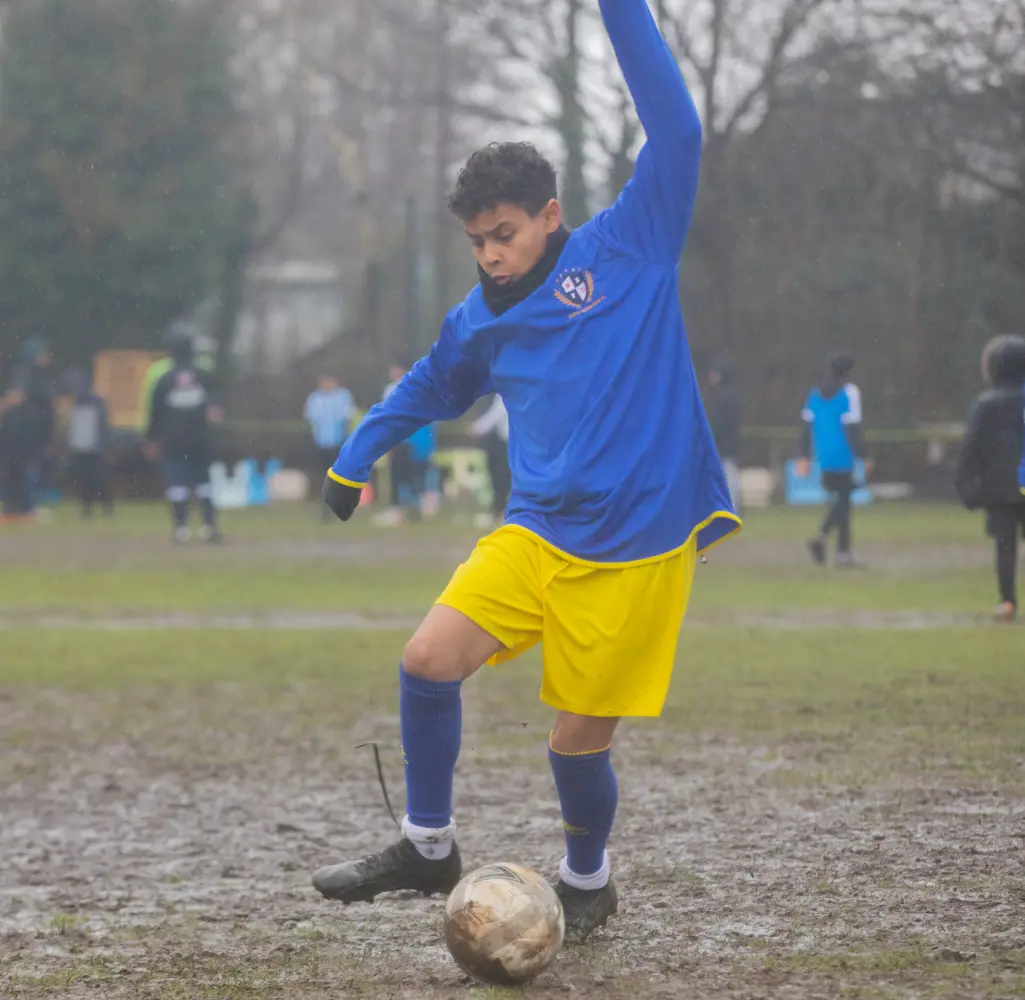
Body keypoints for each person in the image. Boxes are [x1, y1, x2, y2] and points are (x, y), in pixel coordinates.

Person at [314, 0, 739, 945]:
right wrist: (356, 455)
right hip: (538, 529)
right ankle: (428, 845)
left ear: (551, 216)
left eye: (503, 232)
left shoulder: (632, 244)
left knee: (574, 744)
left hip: (636, 547)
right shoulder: (479, 316)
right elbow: (433, 383)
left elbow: (675, 127)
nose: (489, 254)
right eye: (475, 240)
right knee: (426, 661)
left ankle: (587, 876)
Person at [954, 334, 1025, 622]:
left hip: (1000, 487)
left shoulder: (986, 404)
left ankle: (1007, 601)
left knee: (1005, 545)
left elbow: (971, 449)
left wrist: (966, 487)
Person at [145, 333, 223, 544]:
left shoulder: (164, 379)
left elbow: (155, 412)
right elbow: (215, 408)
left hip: (173, 441)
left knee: (177, 485)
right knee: (204, 484)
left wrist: (151, 439)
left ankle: (181, 529)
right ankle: (209, 528)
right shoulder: (203, 376)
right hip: (200, 439)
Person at [798, 352, 867, 567]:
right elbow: (853, 427)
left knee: (841, 501)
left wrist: (804, 455)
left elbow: (806, 428)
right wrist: (864, 454)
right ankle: (826, 540)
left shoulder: (815, 394)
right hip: (844, 454)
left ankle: (841, 552)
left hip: (824, 455)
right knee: (844, 501)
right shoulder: (849, 393)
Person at [304, 375, 355, 520]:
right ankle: (324, 505)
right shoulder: (314, 398)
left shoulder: (343, 397)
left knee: (338, 475)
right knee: (323, 475)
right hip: (321, 442)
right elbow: (311, 419)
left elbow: (347, 418)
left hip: (338, 442)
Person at [65, 371, 114, 518]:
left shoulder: (94, 402)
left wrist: (104, 445)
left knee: (97, 480)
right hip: (82, 448)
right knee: (85, 480)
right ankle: (89, 509)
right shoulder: (79, 403)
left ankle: (105, 508)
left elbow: (103, 427)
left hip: (94, 448)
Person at [706, 357, 742, 512]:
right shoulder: (734, 396)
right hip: (731, 445)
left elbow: (718, 424)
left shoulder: (719, 396)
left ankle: (728, 510)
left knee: (726, 478)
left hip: (721, 446)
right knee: (731, 477)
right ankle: (732, 509)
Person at [471, 394, 511, 526]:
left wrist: (478, 427)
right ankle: (500, 512)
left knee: (502, 479)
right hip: (507, 441)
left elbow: (496, 413)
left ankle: (500, 512)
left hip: (509, 443)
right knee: (502, 479)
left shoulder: (505, 390)